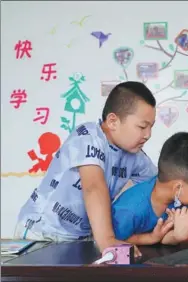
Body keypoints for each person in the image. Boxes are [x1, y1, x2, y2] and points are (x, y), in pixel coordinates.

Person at [15, 81, 158, 255]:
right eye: (142, 126)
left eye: (151, 127)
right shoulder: (88, 136)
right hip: (42, 233)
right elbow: (93, 187)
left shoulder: (135, 156)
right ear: (113, 121)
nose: (148, 135)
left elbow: (159, 185)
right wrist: (107, 241)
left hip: (82, 238)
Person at [112, 132, 188, 245]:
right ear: (178, 188)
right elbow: (111, 241)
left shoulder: (180, 199)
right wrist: (151, 238)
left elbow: (165, 241)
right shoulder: (130, 210)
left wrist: (177, 236)